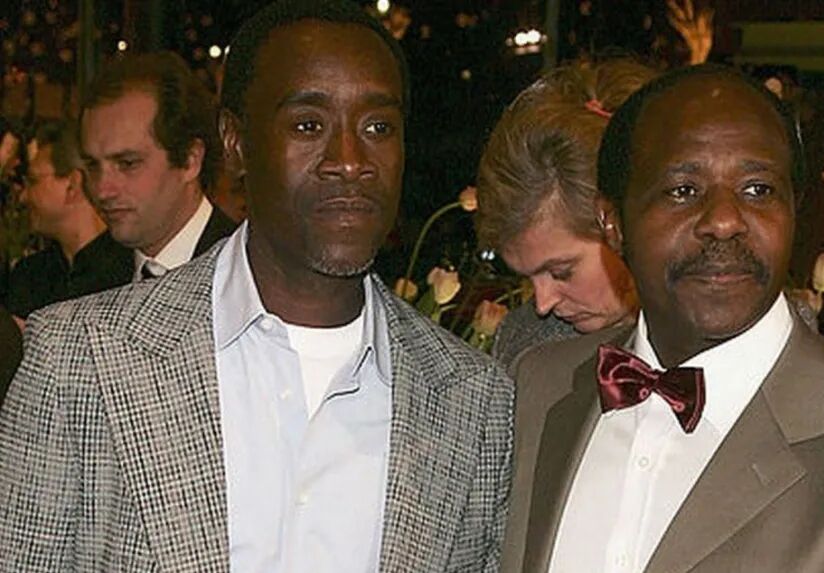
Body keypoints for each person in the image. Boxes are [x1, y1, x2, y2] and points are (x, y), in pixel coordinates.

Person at [0, 1, 513, 570]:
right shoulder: (79, 357)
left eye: (378, 127)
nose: (349, 161)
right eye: (308, 125)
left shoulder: (473, 401)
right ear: (236, 142)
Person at [503, 65, 824, 573]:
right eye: (683, 190)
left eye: (758, 190)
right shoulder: (540, 389)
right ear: (612, 223)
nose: (724, 221)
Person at [476, 59, 655, 367]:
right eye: (528, 278)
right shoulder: (526, 345)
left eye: (561, 272)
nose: (543, 304)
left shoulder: (733, 332)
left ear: (629, 224)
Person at [80, 51, 236, 281]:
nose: (103, 190)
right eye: (93, 166)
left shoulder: (247, 272)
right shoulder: (87, 271)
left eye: (127, 164)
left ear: (190, 160)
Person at [5, 120, 130, 320]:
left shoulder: (131, 274)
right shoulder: (29, 275)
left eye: (34, 181)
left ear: (72, 185)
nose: (23, 197)